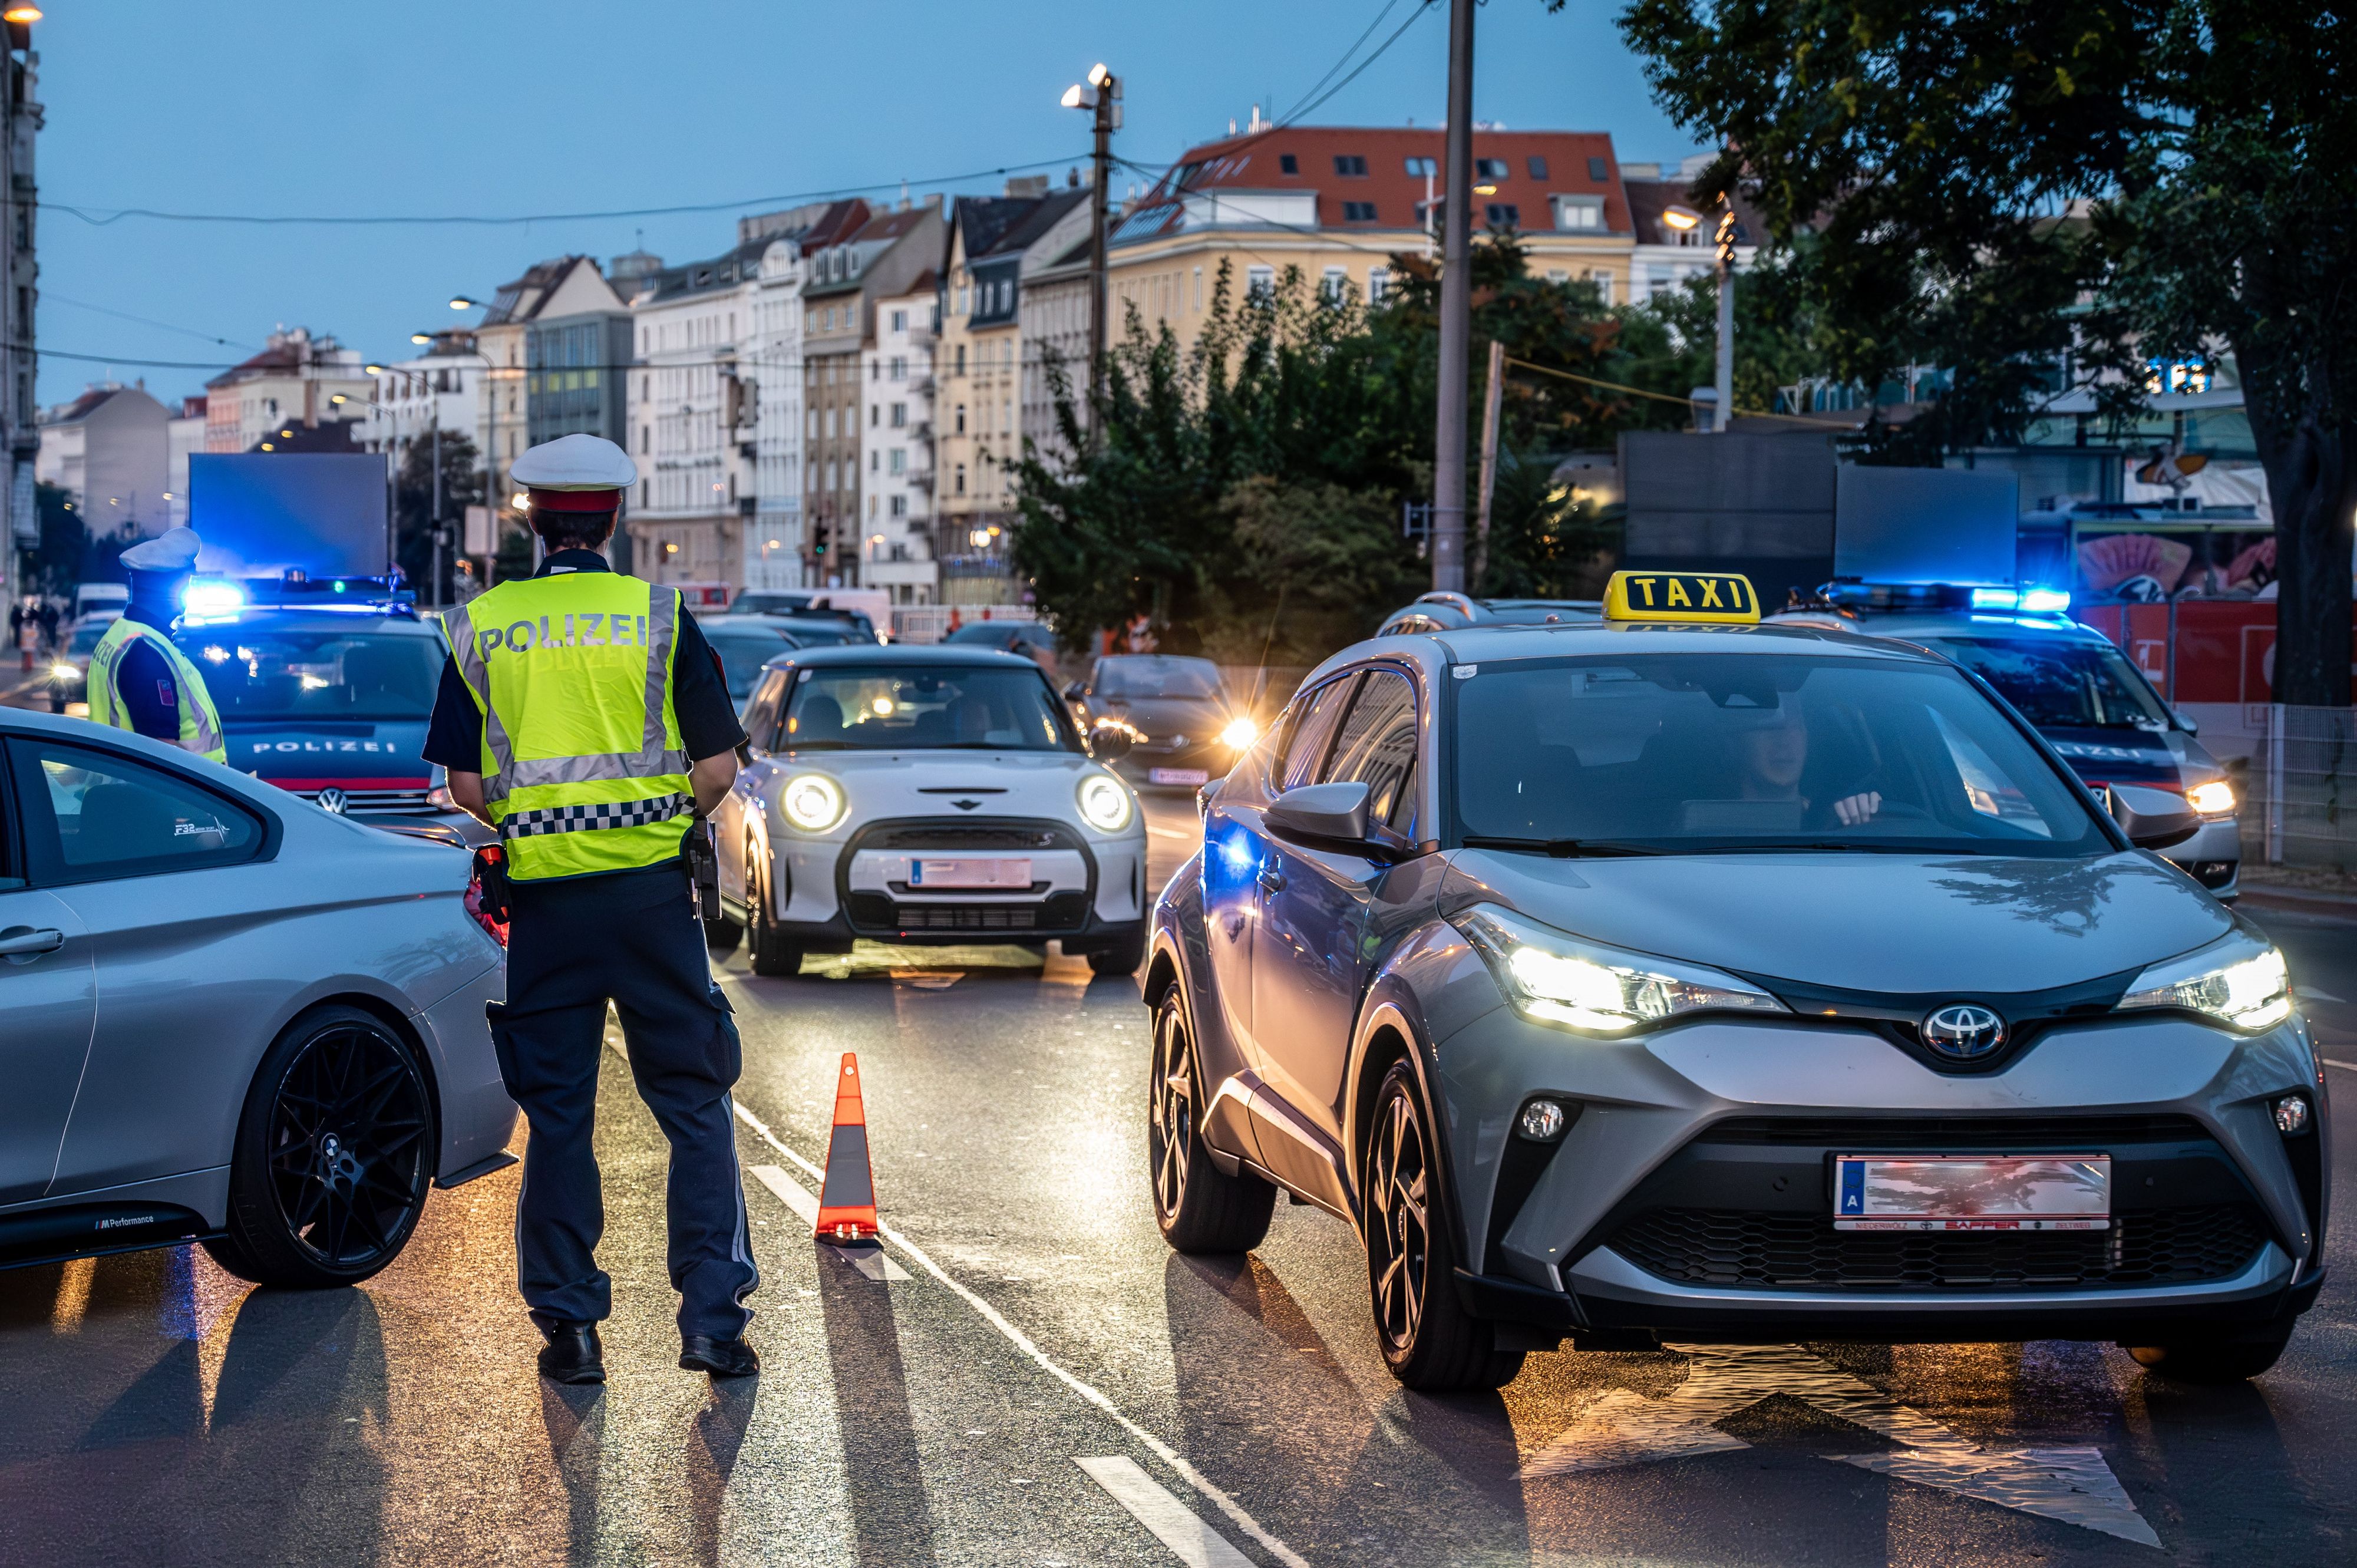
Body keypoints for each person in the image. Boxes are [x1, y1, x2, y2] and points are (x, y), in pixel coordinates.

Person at [424, 433, 760, 1387]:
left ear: (531, 520)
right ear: (614, 518)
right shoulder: (656, 616)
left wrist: (542, 825)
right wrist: (656, 819)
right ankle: (713, 1324)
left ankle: (570, 1328)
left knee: (560, 1120)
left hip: (546, 916)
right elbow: (720, 767)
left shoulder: (484, 624)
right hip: (653, 906)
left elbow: (463, 783)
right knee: (695, 1107)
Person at [84, 527, 227, 762]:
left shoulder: (124, 634)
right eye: (186, 582)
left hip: (121, 785)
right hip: (164, 796)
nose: (190, 590)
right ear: (165, 589)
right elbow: (162, 751)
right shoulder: (145, 652)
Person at [1731, 702, 1881, 827]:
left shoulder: (1834, 821)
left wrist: (1868, 811)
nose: (1784, 741)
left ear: (1806, 738)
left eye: (1795, 726)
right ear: (1738, 743)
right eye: (1768, 726)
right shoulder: (1711, 824)